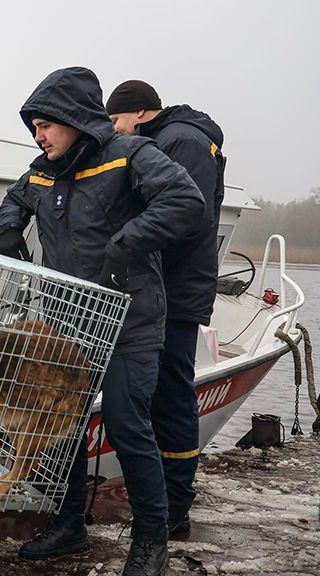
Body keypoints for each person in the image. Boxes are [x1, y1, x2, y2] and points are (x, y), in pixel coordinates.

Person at [0, 67, 205, 576]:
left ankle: (150, 540)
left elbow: (186, 202)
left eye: (47, 124)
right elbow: (14, 200)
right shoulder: (43, 169)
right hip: (67, 319)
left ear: (75, 120)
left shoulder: (131, 156)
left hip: (130, 320)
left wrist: (124, 246)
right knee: (62, 423)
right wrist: (9, 231)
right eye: (35, 126)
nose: (39, 135)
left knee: (128, 426)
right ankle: (68, 524)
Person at [107, 80, 226, 537]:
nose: (114, 131)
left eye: (116, 120)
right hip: (160, 287)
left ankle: (175, 507)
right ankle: (159, 500)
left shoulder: (184, 140)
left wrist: (135, 255)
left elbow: (186, 218)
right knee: (158, 393)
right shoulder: (166, 138)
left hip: (175, 293)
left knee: (172, 395)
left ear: (139, 113)